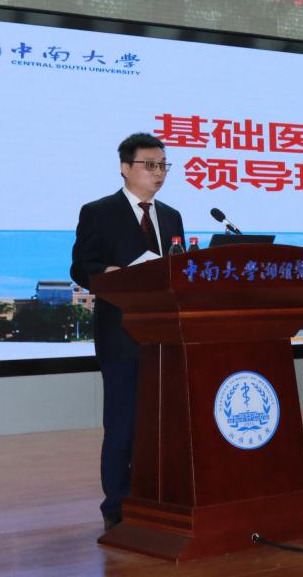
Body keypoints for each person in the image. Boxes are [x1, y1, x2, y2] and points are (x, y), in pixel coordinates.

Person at [70, 132, 184, 531]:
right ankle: (116, 504)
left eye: (163, 165)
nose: (158, 173)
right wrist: (112, 273)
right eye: (149, 165)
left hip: (166, 335)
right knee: (122, 420)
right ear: (124, 168)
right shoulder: (98, 212)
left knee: (164, 420)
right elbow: (80, 266)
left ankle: (160, 493)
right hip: (121, 333)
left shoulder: (171, 216)